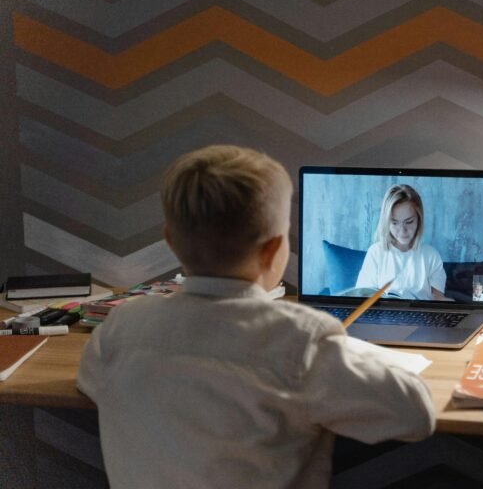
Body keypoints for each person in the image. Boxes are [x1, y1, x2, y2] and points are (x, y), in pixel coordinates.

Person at [76, 145, 435, 489]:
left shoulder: (118, 328)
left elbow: (90, 381)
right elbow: (416, 415)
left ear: (170, 240)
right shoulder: (303, 342)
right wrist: (345, 347)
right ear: (276, 249)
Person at [355, 184, 447, 300]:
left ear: (419, 219)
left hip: (421, 316)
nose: (402, 230)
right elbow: (362, 296)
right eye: (394, 223)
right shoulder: (375, 252)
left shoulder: (431, 256)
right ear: (386, 222)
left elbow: (438, 299)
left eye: (409, 222)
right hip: (384, 316)